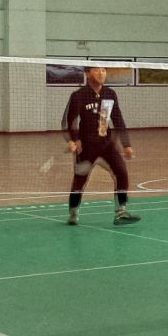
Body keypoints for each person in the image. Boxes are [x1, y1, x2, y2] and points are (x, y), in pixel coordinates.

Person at [62, 65, 139, 226]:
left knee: (121, 172)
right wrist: (72, 140)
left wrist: (126, 144)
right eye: (97, 70)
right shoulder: (79, 95)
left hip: (106, 144)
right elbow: (69, 121)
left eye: (104, 70)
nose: (101, 73)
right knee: (80, 180)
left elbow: (117, 119)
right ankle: (73, 211)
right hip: (86, 147)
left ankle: (121, 211)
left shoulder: (109, 94)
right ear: (87, 73)